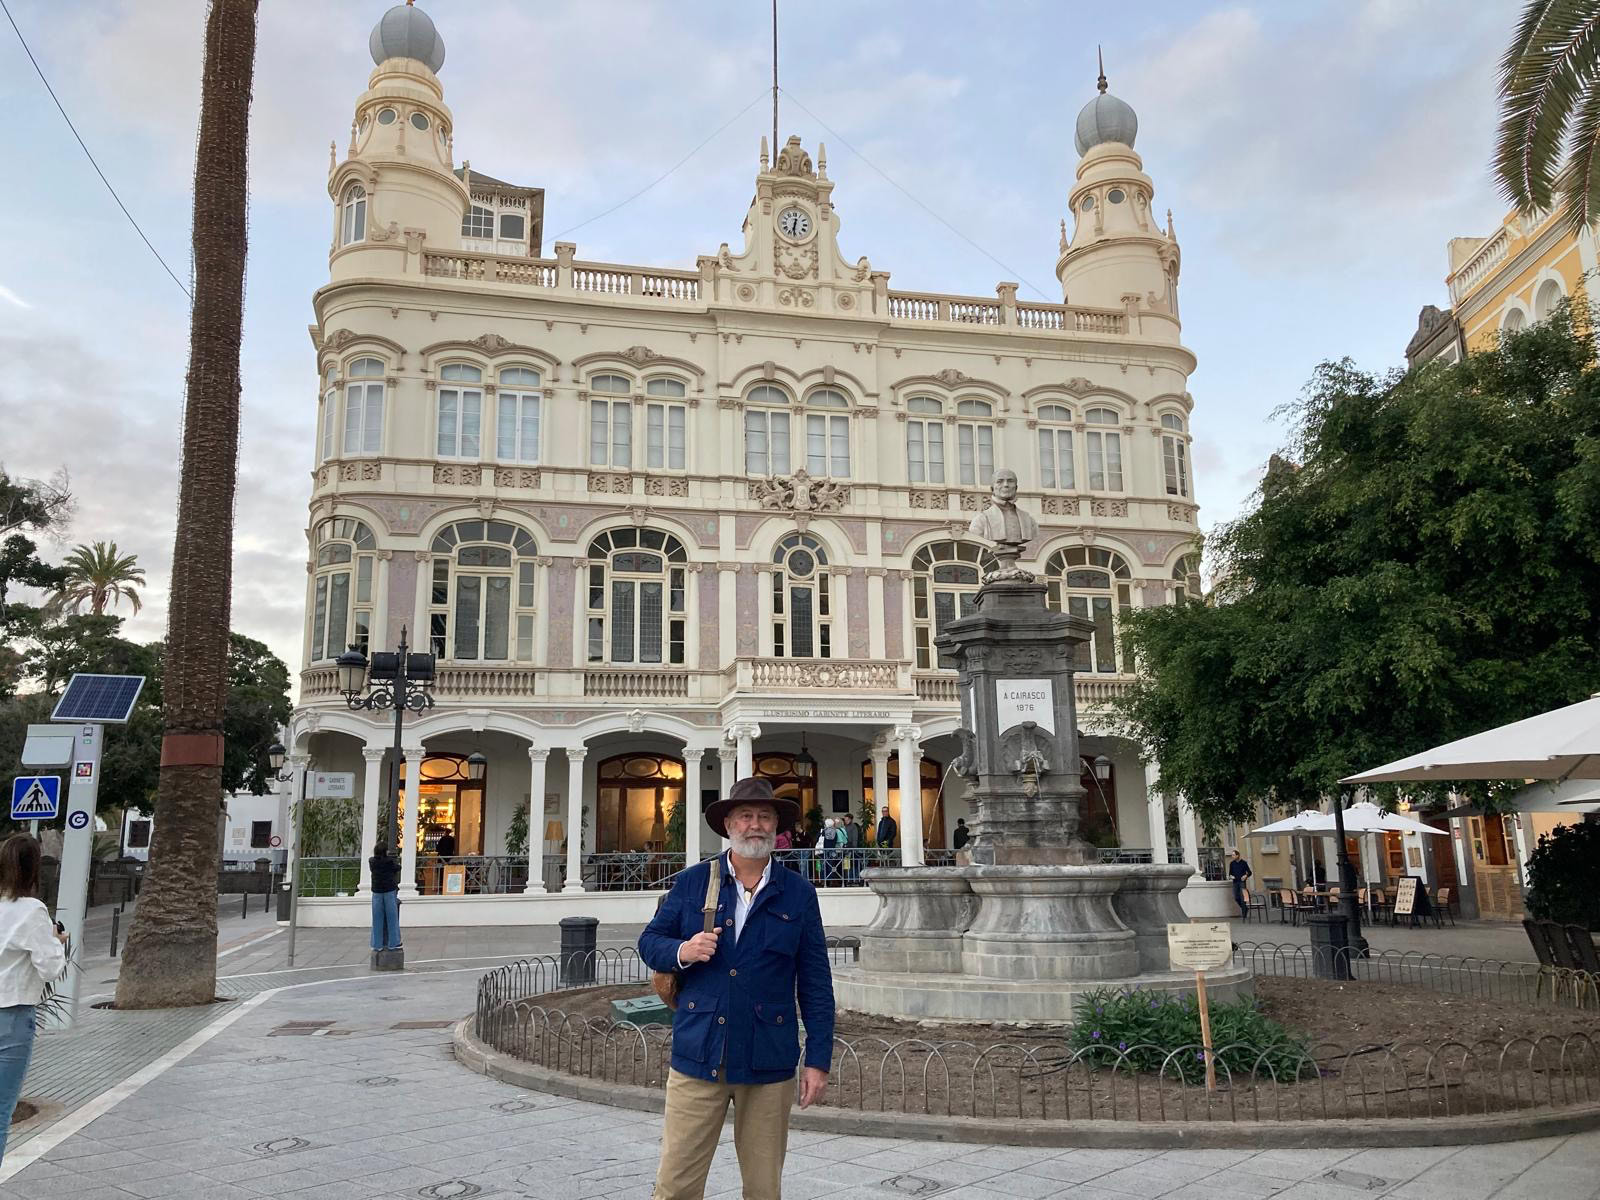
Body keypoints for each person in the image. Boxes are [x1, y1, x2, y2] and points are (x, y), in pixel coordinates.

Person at [640, 777, 834, 1200]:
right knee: (675, 1186)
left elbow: (816, 980)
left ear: (776, 828)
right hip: (698, 1055)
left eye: (764, 817)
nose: (755, 825)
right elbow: (649, 942)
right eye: (745, 816)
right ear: (728, 824)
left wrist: (818, 1059)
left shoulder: (798, 893)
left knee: (764, 1189)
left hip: (767, 1062)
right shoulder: (694, 882)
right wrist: (684, 950)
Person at [0, 834, 68, 1163]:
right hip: (11, 1017)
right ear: (33, 869)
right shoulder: (32, 910)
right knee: (0, 1112)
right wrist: (57, 941)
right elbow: (51, 969)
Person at [369, 842, 401, 952]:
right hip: (389, 890)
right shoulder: (389, 861)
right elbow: (397, 868)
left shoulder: (371, 861)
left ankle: (377, 944)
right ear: (385, 851)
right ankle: (393, 942)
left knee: (377, 918)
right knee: (392, 917)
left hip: (376, 891)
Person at [1228, 849, 1253, 920]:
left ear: (1237, 855)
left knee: (1243, 898)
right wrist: (1231, 876)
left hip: (1242, 882)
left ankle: (1244, 914)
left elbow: (1249, 872)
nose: (1232, 856)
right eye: (1232, 855)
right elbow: (1230, 873)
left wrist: (1245, 876)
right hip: (1235, 882)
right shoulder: (1232, 863)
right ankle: (1245, 908)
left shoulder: (1243, 863)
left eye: (1233, 855)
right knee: (1236, 897)